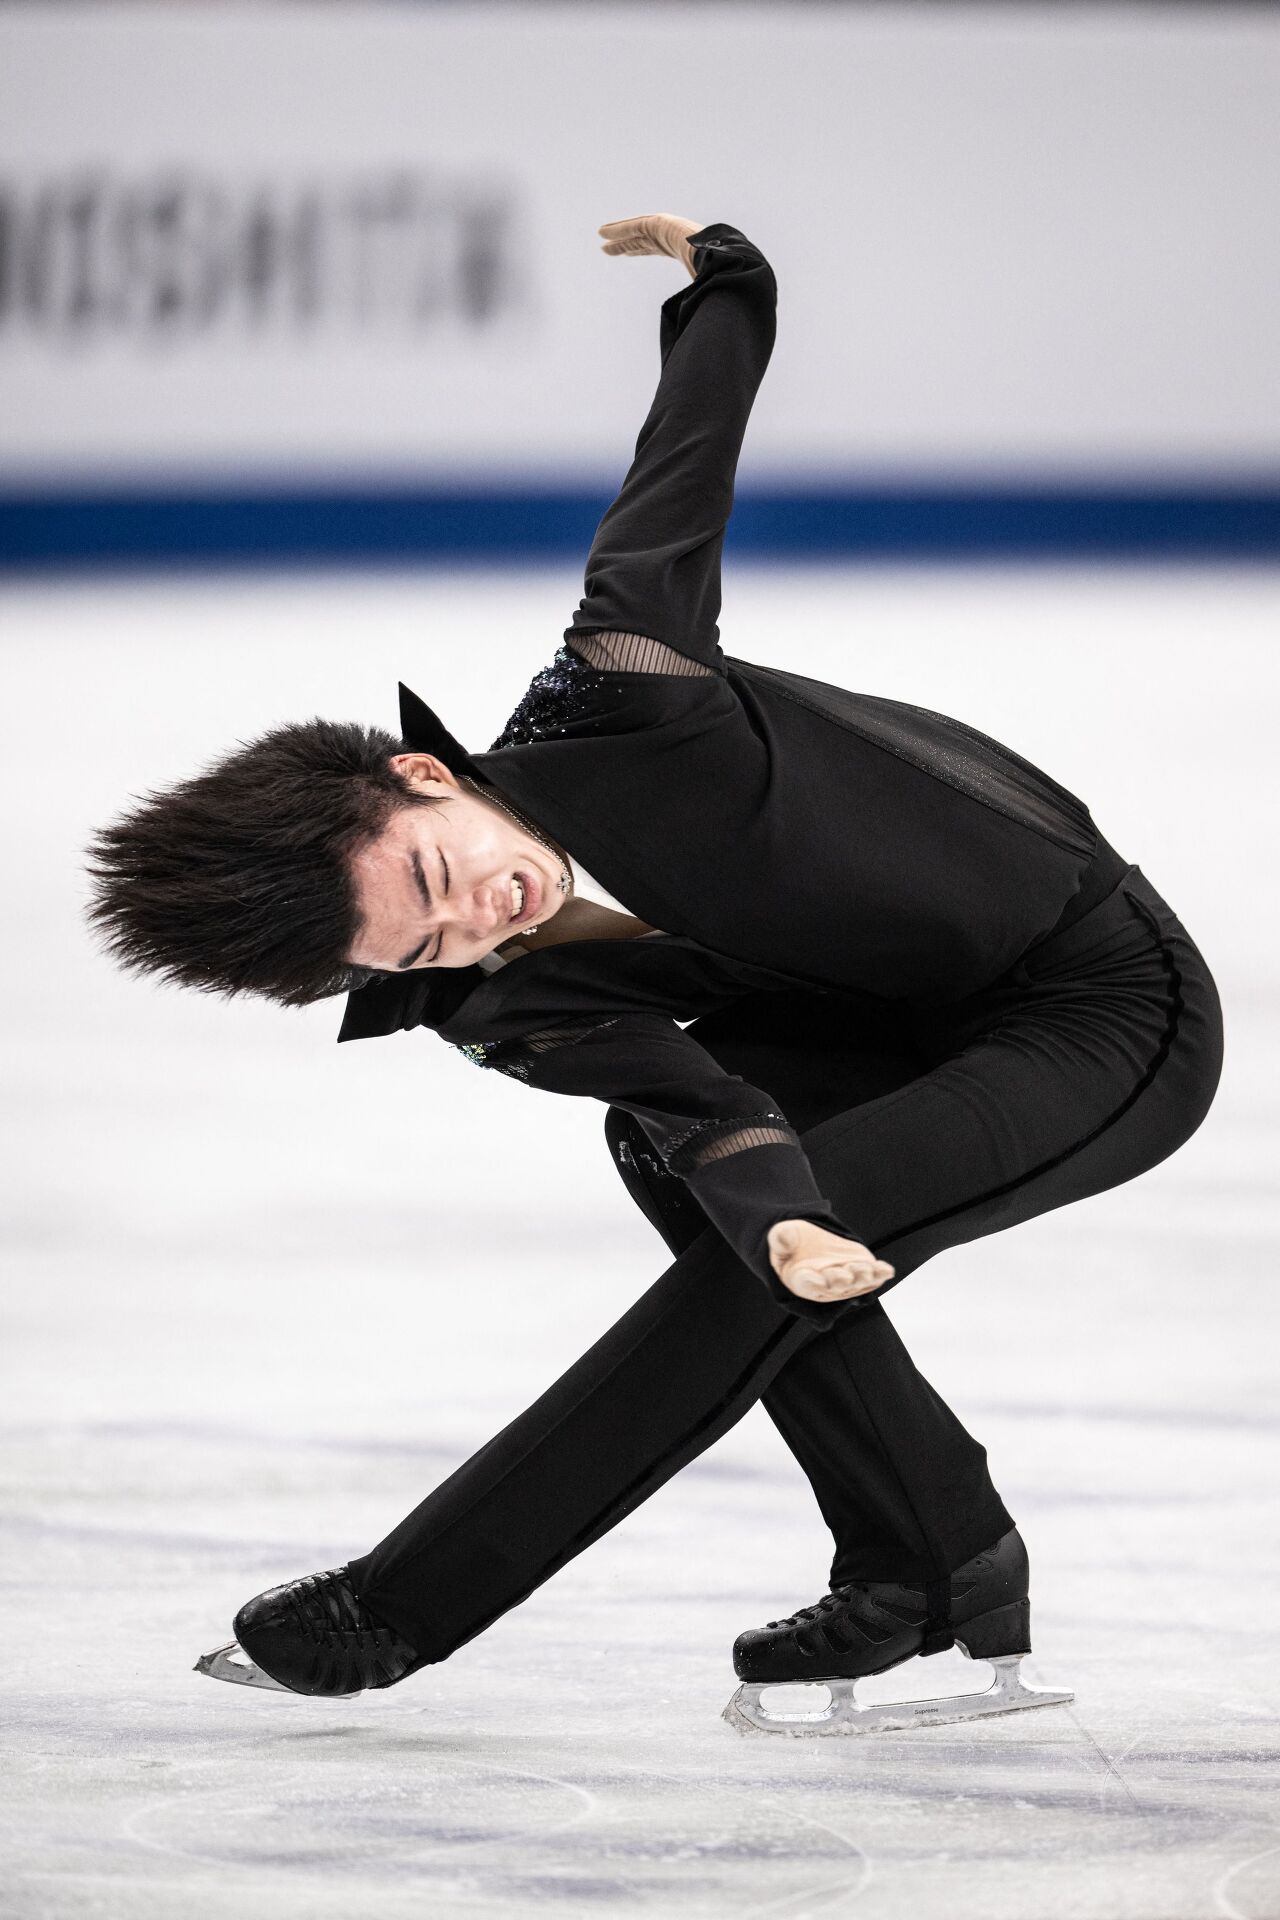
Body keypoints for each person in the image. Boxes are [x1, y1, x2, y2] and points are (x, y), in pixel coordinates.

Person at [86, 213, 1224, 1736]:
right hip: (894, 1028)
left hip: (1101, 1004)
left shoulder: (626, 688)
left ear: (424, 774)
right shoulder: (497, 999)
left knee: (754, 1258)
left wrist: (722, 286)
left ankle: (401, 1607)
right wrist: (779, 1214)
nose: (475, 918)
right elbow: (690, 1098)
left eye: (431, 876)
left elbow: (684, 460)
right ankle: (930, 1558)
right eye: (423, 947)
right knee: (679, 1170)